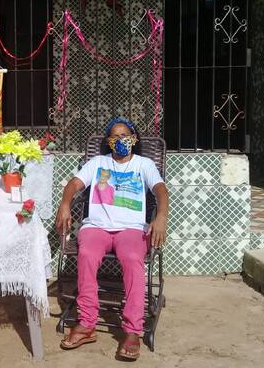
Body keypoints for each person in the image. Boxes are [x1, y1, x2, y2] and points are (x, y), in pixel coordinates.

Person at [55, 116, 169, 361]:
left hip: (131, 229)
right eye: (115, 137)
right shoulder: (98, 162)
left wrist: (160, 217)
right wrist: (65, 204)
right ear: (108, 142)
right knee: (86, 255)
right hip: (97, 226)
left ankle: (132, 330)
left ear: (134, 138)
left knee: (131, 258)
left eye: (125, 135)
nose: (120, 140)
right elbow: (75, 184)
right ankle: (86, 324)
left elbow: (160, 189)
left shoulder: (144, 164)